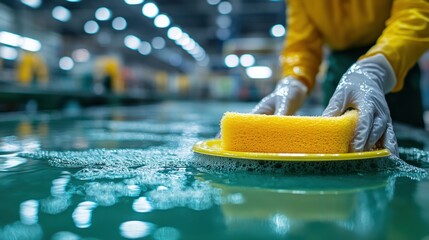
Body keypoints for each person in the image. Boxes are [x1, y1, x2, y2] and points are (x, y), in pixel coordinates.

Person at [252, 0, 429, 156]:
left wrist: (376, 68)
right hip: (339, 68)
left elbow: (415, 13)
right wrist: (293, 80)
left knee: (404, 151)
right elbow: (302, 41)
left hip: (394, 63)